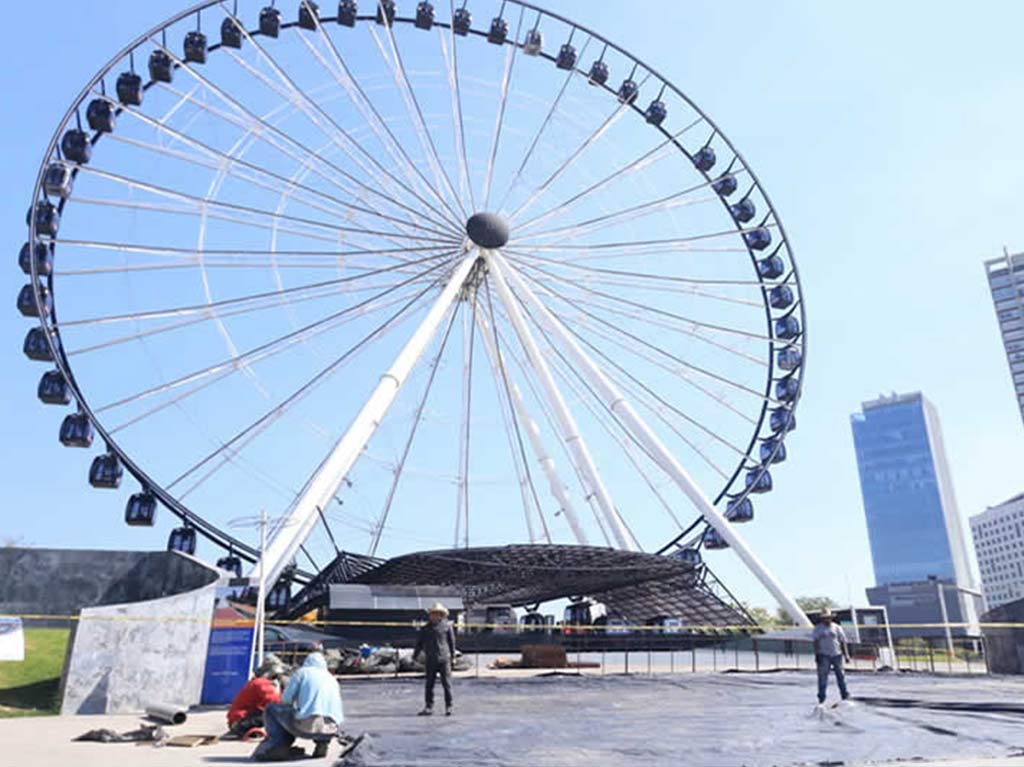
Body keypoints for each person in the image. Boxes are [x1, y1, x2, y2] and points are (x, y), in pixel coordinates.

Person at [252, 652, 345, 761]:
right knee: (323, 714)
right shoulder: (332, 678)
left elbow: (285, 700)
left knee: (271, 709)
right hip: (331, 729)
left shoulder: (302, 673)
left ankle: (277, 745)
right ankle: (322, 744)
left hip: (307, 726)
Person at [414, 602, 456, 717]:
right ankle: (429, 707)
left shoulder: (447, 627)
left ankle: (449, 706)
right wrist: (415, 656)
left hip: (444, 659)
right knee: (429, 684)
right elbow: (419, 643)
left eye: (437, 614)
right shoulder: (425, 629)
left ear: (441, 615)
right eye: (433, 614)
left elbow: (452, 643)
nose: (434, 616)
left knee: (446, 684)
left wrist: (453, 657)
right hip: (431, 660)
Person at [226, 656, 284, 737]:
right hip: (241, 722)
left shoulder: (256, 682)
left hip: (238, 721)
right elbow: (275, 702)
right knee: (274, 712)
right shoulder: (261, 683)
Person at [811, 608, 851, 705]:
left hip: (837, 654)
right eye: (824, 618)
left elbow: (843, 641)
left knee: (841, 675)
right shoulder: (818, 629)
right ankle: (822, 697)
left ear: (831, 618)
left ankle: (844, 694)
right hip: (823, 655)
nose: (826, 620)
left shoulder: (837, 628)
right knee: (822, 677)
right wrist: (817, 655)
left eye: (828, 618)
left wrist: (846, 655)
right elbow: (815, 642)